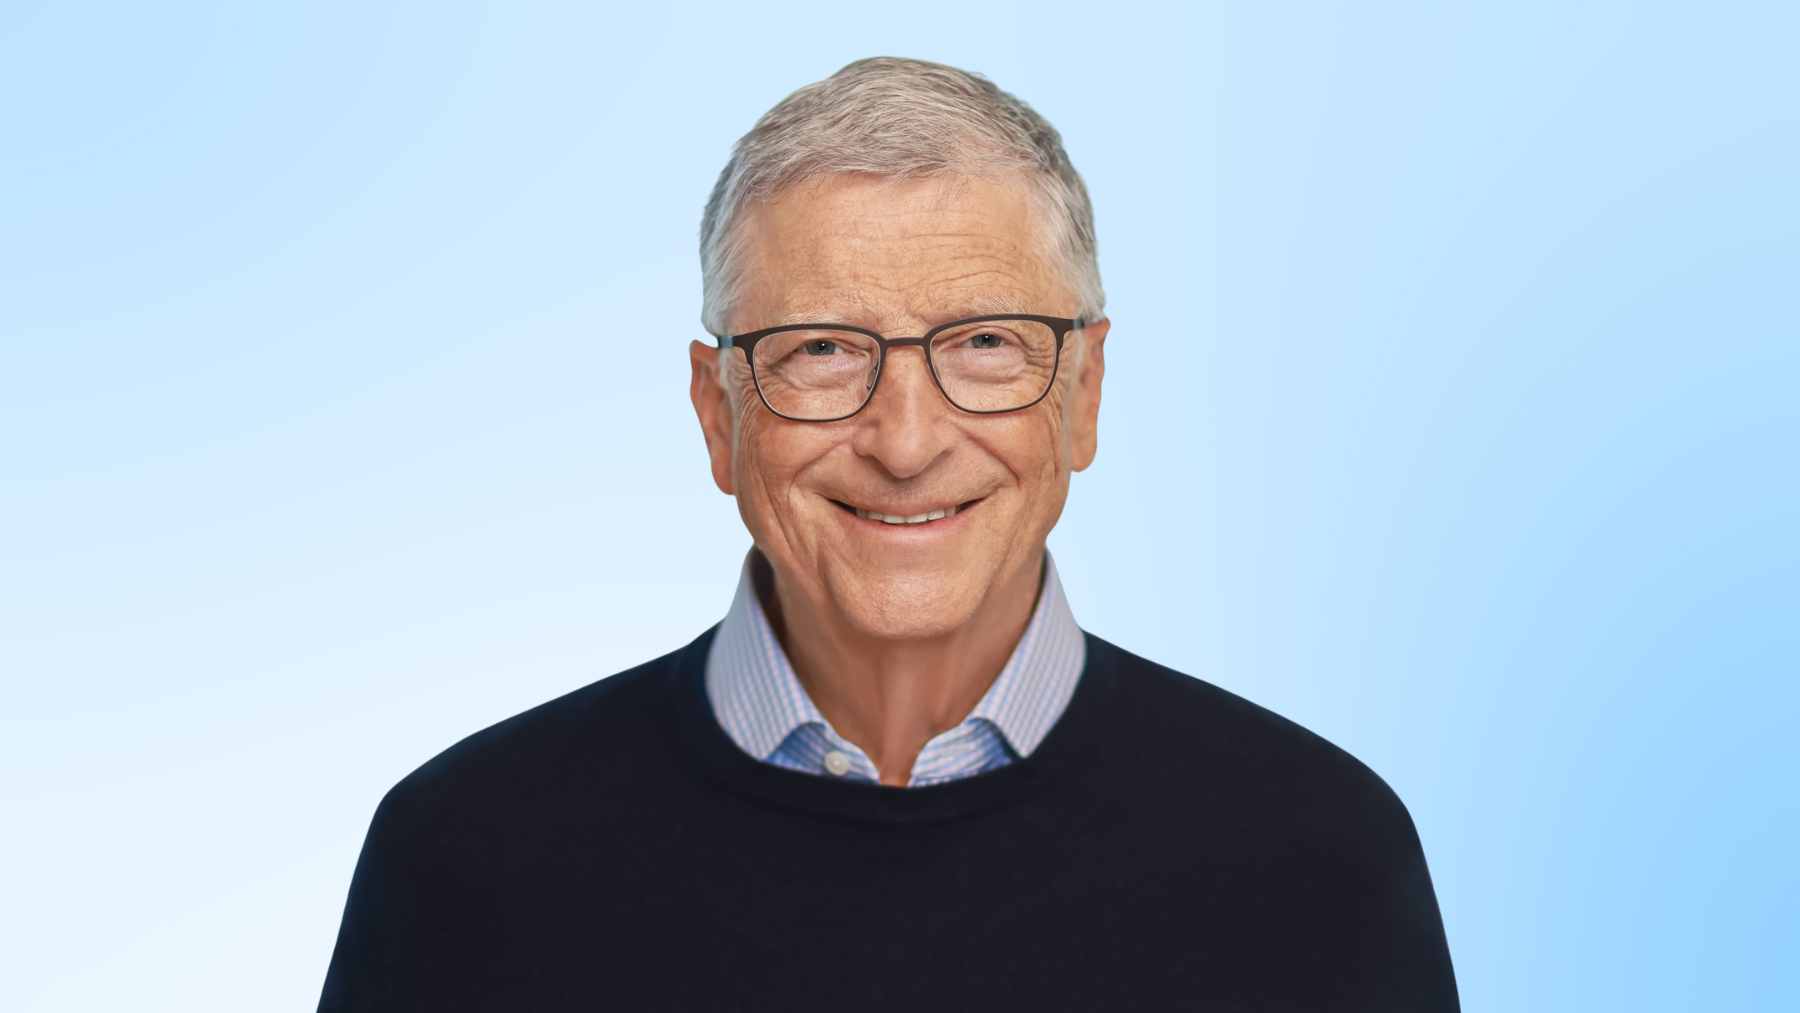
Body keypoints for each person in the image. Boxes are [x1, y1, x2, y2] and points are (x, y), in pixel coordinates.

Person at [316, 56, 1460, 1011]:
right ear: (719, 416)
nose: (905, 440)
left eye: (984, 345)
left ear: (1086, 393)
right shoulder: (466, 856)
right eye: (820, 349)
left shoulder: (1317, 852)